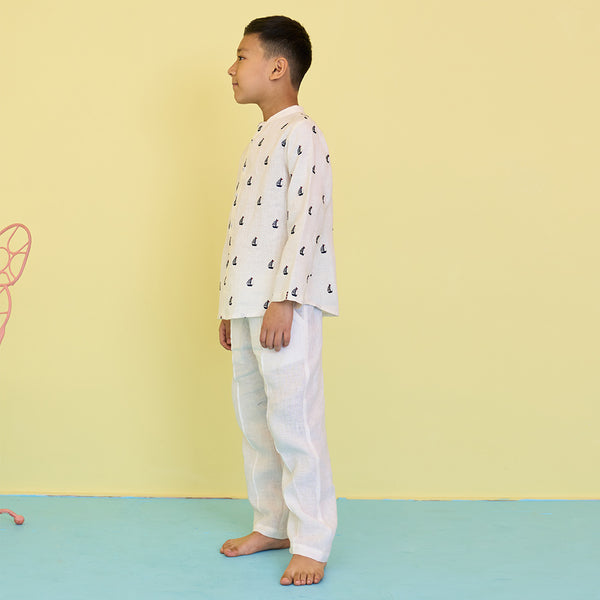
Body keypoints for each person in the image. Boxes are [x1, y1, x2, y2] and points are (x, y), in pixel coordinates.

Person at [217, 15, 339, 587]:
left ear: (276, 67)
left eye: (242, 56)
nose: (231, 68)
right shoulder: (262, 137)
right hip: (248, 304)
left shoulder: (303, 134)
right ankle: (272, 523)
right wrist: (229, 304)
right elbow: (246, 229)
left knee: (294, 422)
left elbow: (306, 222)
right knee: (257, 423)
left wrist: (286, 300)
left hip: (281, 306)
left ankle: (312, 539)